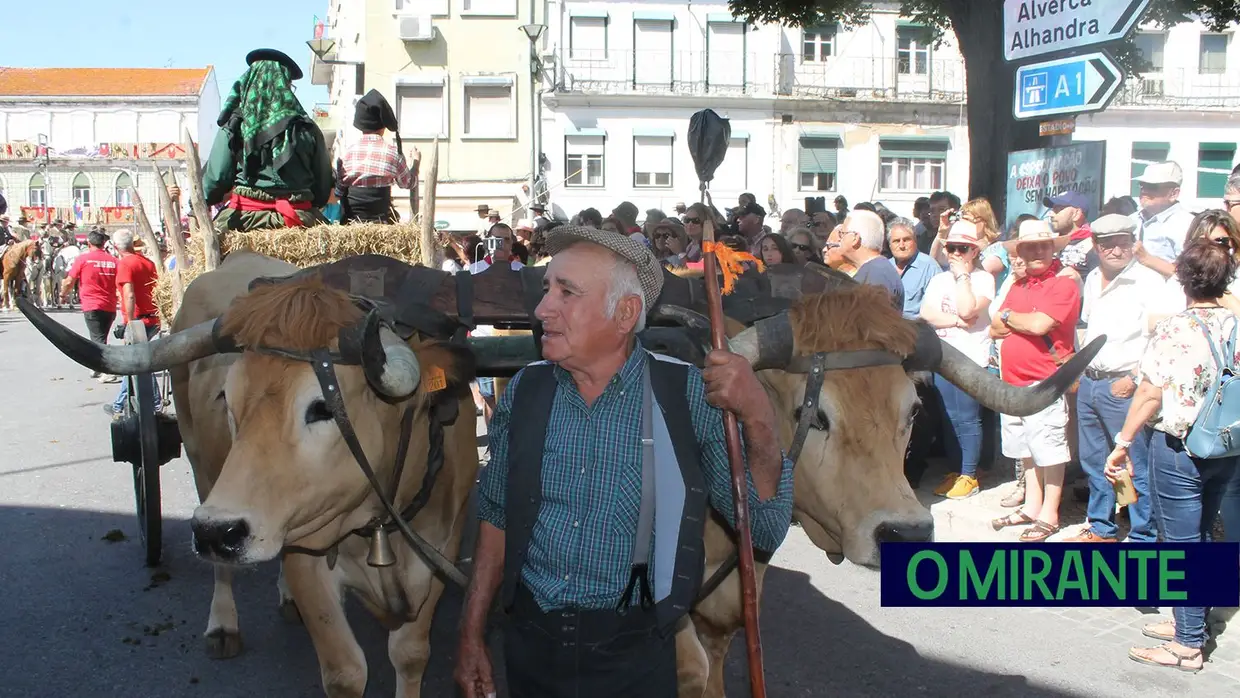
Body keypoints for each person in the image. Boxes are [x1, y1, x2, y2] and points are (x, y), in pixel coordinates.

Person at [455, 225, 793, 698]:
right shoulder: (527, 391)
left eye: (566, 292)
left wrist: (758, 417)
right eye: (547, 288)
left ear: (625, 313)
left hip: (635, 656)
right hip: (530, 648)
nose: (541, 309)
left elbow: (763, 527)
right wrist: (471, 636)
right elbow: (495, 516)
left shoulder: (686, 395)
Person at [1105, 237, 1240, 673]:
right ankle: (1193, 622)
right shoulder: (1237, 324)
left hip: (1180, 448)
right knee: (1202, 535)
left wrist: (1122, 443)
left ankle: (1186, 645)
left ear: (1183, 279)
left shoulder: (1174, 328)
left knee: (1180, 544)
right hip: (1225, 444)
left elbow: (1148, 393)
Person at [1060, 214, 1163, 543]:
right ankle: (1102, 528)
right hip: (1091, 381)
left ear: (1133, 243)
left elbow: (1159, 339)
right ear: (1096, 246)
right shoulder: (1091, 279)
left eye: (1123, 242)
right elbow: (1087, 328)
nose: (1116, 250)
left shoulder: (1149, 282)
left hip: (1124, 384)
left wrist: (1134, 377)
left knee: (1134, 465)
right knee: (1095, 462)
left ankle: (1142, 535)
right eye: (1108, 244)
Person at [989, 219, 1078, 542]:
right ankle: (1032, 504)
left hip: (1045, 381)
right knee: (1025, 448)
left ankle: (1049, 513)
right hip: (1012, 381)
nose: (1038, 251)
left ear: (1052, 249)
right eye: (1030, 247)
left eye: (1043, 245)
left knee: (1050, 449)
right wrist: (1013, 321)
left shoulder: (1064, 285)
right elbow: (993, 328)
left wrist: (1011, 318)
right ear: (1021, 252)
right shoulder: (1018, 285)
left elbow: (1040, 325)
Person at [203, 48, 334, 232]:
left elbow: (215, 182)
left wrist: (203, 200)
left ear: (249, 82)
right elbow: (322, 191)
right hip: (300, 221)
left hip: (243, 221)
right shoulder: (308, 128)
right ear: (285, 85)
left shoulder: (234, 125)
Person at [920, 221, 996, 499]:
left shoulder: (983, 279)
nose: (954, 254)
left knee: (968, 418)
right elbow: (926, 313)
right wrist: (954, 320)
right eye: (951, 247)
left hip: (973, 357)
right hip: (944, 356)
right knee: (948, 417)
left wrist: (964, 278)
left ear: (973, 252)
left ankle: (970, 474)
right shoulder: (939, 279)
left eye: (962, 249)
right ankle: (956, 470)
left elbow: (969, 310)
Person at [335, 89, 420, 224]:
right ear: (384, 126)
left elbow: (338, 192)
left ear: (360, 124)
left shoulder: (346, 154)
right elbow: (408, 183)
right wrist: (415, 163)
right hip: (382, 223)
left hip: (351, 224)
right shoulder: (393, 153)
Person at [105, 229, 160, 417]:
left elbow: (129, 294)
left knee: (136, 362)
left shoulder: (125, 264)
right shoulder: (147, 262)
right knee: (136, 361)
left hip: (139, 320)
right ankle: (124, 403)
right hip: (153, 316)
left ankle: (148, 402)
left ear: (115, 247)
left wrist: (129, 322)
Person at [60, 229, 118, 381]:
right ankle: (96, 366)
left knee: (97, 338)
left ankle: (106, 370)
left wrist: (63, 294)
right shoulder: (113, 261)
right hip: (110, 305)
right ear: (104, 243)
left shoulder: (83, 259)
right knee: (101, 336)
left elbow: (69, 280)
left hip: (91, 304)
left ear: (88, 243)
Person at [1131, 161, 1195, 266]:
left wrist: (1147, 259)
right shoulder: (1132, 220)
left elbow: (1190, 271)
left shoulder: (1188, 225)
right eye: (1142, 185)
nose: (1144, 190)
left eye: (1152, 186)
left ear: (1174, 194)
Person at [838, 209, 904, 310]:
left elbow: (873, 320)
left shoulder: (877, 274)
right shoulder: (874, 269)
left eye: (842, 233)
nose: (839, 239)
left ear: (855, 238)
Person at [888, 217, 941, 321]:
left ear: (915, 240)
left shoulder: (929, 267)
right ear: (889, 245)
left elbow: (939, 306)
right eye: (896, 241)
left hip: (917, 331)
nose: (902, 245)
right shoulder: (885, 266)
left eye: (906, 240)